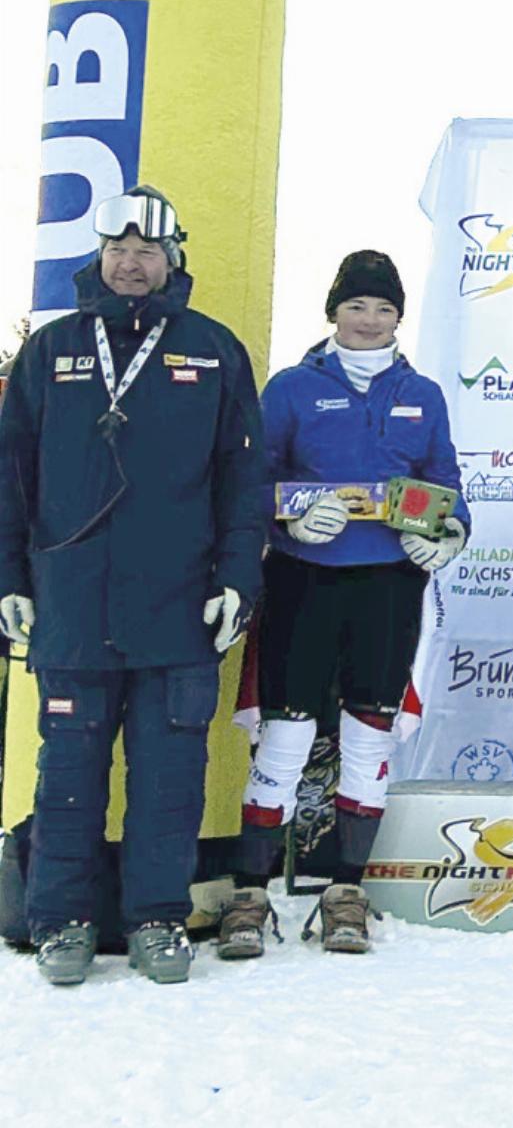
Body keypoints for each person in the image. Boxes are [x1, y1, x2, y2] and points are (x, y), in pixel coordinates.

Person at [0, 187, 263, 986]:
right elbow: (11, 477)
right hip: (73, 606)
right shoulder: (51, 351)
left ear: (172, 258)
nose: (130, 263)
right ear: (100, 254)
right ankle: (61, 921)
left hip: (180, 611)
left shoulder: (214, 350)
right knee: (68, 780)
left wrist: (237, 580)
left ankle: (157, 920)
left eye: (147, 250)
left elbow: (244, 483)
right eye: (117, 249)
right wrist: (10, 578)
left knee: (169, 781)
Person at [219, 252, 468, 957]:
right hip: (305, 579)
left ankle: (344, 891)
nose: (369, 320)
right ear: (333, 312)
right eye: (356, 306)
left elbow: (445, 478)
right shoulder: (293, 387)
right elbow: (252, 480)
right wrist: (289, 520)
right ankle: (250, 894)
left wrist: (450, 530)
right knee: (286, 736)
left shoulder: (422, 393)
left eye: (384, 309)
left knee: (368, 735)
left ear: (398, 318)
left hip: (389, 582)